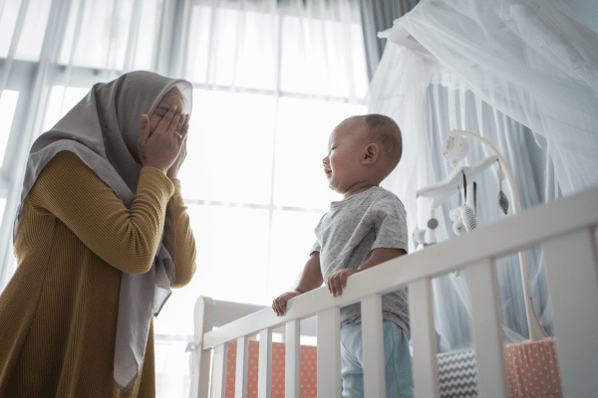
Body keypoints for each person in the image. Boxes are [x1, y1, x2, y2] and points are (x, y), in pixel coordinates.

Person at [0, 71, 197, 397]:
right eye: (164, 115)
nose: (172, 130)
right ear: (127, 110)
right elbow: (133, 251)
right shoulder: (62, 161)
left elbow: (181, 271)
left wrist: (170, 179)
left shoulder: (147, 189)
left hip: (103, 364)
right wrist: (157, 171)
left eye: (180, 121)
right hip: (44, 345)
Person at [272, 114, 413, 397]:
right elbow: (316, 262)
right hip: (343, 324)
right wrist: (298, 291)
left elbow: (393, 248)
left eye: (333, 149)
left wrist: (361, 274)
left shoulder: (383, 201)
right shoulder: (328, 218)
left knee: (391, 389)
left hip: (379, 316)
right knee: (353, 389)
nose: (325, 159)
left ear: (369, 154)